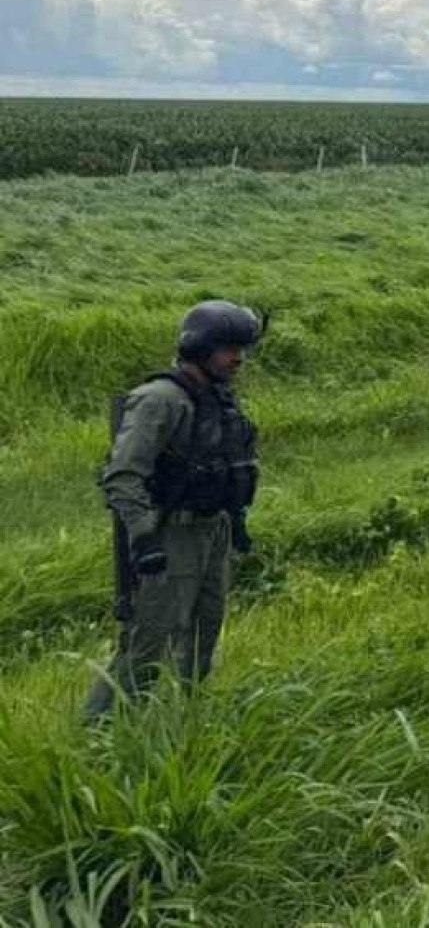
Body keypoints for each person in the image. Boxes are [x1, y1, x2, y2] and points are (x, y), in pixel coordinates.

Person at [84, 300, 263, 718]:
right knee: (149, 644)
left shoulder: (217, 397)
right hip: (171, 535)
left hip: (212, 532)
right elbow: (122, 475)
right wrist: (144, 538)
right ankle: (98, 733)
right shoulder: (160, 400)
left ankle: (184, 721)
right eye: (228, 348)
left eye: (242, 348)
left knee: (204, 636)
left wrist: (234, 521)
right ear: (200, 348)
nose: (239, 358)